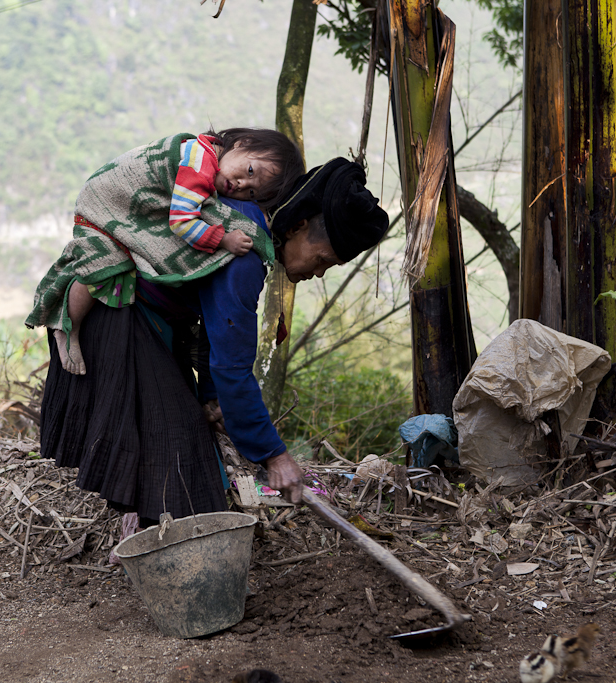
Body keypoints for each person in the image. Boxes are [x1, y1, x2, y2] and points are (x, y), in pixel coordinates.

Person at [29, 154, 388, 540]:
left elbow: (211, 326)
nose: (317, 273)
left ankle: (146, 539)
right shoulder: (245, 256)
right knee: (181, 460)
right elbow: (232, 366)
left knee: (182, 445)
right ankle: (164, 561)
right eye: (323, 260)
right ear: (299, 226)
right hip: (116, 313)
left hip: (146, 320)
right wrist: (274, 455)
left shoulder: (244, 224)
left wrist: (210, 397)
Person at [49, 128, 302, 376]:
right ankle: (68, 327)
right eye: (249, 171)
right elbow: (182, 222)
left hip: (122, 199)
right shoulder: (198, 167)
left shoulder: (210, 154)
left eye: (251, 192)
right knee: (105, 264)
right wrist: (223, 239)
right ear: (241, 143)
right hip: (105, 202)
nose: (240, 185)